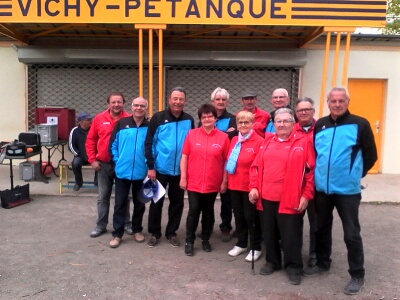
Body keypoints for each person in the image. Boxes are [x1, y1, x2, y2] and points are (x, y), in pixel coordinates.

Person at [303, 87, 377, 295]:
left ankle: (357, 274)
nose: (337, 104)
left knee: (351, 233)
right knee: (321, 228)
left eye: (341, 100)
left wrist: (354, 174)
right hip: (322, 190)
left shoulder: (360, 124)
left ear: (347, 101)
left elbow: (371, 155)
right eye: (333, 101)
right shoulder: (321, 124)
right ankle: (323, 262)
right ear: (327, 103)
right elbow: (317, 153)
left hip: (347, 191)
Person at [249, 108, 315, 286]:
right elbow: (255, 167)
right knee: (269, 233)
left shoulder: (303, 142)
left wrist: (306, 195)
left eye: (286, 121)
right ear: (274, 124)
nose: (282, 124)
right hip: (266, 197)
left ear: (294, 124)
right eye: (278, 121)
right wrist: (253, 187)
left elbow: (310, 172)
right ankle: (272, 261)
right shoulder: (267, 142)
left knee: (291, 236)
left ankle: (294, 267)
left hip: (290, 198)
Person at [145, 86, 195, 248]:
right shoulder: (158, 118)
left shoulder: (189, 119)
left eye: (181, 99)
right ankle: (154, 232)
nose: (178, 102)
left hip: (180, 170)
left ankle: (171, 232)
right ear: (169, 100)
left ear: (185, 101)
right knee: (155, 200)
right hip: (159, 169)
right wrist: (151, 167)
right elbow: (149, 143)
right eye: (175, 98)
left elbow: (191, 144)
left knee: (177, 202)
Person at [180, 104, 230, 256]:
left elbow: (227, 161)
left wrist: (224, 181)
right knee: (194, 210)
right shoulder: (191, 134)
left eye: (210, 116)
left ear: (215, 118)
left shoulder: (223, 137)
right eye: (204, 117)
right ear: (200, 119)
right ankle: (189, 241)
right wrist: (183, 177)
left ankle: (206, 239)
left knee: (208, 212)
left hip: (212, 182)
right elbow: (185, 157)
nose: (207, 119)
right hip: (194, 181)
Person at [86, 92, 131, 238]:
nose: (116, 104)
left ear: (123, 103)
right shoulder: (99, 119)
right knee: (103, 197)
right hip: (103, 165)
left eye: (119, 102)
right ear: (108, 104)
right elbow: (91, 140)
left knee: (123, 196)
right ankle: (101, 225)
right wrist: (92, 160)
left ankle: (126, 223)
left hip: (122, 165)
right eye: (113, 102)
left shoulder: (129, 119)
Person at [108, 97, 149, 248]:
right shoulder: (121, 124)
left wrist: (148, 166)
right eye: (136, 105)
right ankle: (117, 234)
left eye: (142, 106)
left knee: (140, 203)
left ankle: (137, 230)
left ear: (146, 108)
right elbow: (113, 145)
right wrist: (118, 162)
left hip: (141, 172)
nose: (139, 108)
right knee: (120, 204)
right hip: (122, 172)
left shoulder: (150, 126)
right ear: (131, 107)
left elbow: (152, 148)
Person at [226, 111, 264, 262]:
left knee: (251, 217)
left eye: (246, 122)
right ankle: (241, 243)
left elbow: (259, 166)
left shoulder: (259, 141)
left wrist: (255, 186)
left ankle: (255, 246)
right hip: (234, 184)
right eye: (240, 122)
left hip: (250, 186)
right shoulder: (235, 139)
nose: (243, 125)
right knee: (239, 216)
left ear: (252, 124)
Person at [293, 97, 317, 268]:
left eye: (307, 109)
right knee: (294, 222)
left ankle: (315, 254)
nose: (303, 112)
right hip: (295, 184)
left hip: (317, 182)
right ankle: (295, 252)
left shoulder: (323, 128)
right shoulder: (290, 129)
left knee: (316, 222)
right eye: (300, 110)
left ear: (313, 111)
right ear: (296, 113)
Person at [210, 87, 236, 242]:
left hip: (226, 165)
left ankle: (226, 227)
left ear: (227, 101)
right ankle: (207, 225)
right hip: (211, 165)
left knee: (226, 200)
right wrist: (225, 133)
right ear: (212, 101)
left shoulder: (233, 118)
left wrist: (215, 135)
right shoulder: (206, 117)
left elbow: (233, 137)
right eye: (217, 99)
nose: (220, 102)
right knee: (207, 200)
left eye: (223, 99)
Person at [68, 112, 97, 191]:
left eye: (91, 119)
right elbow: (71, 146)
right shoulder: (74, 131)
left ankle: (97, 180)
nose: (91, 121)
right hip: (80, 155)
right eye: (88, 120)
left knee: (101, 163)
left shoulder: (94, 129)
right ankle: (78, 182)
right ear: (81, 122)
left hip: (94, 155)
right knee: (75, 163)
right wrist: (78, 154)